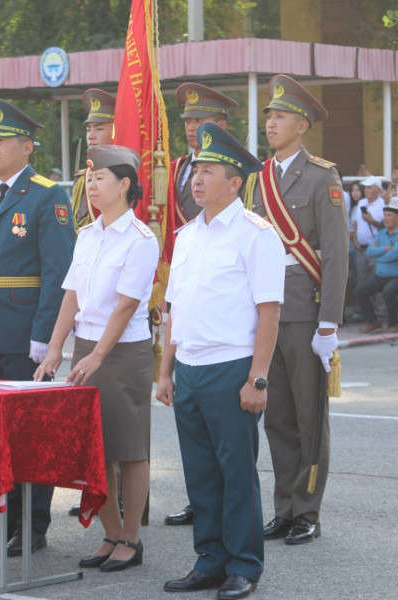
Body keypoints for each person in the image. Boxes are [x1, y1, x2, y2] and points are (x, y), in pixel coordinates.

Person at [158, 122, 284, 600]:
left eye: (209, 170)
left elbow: (268, 311)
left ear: (235, 183)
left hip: (232, 368)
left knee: (236, 473)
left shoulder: (257, 234)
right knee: (200, 474)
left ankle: (244, 565)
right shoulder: (187, 235)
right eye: (196, 169)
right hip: (188, 369)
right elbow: (176, 309)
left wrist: (259, 379)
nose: (198, 178)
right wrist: (166, 371)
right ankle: (209, 558)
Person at [0, 98, 75, 556]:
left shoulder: (47, 195)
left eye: (0, 140)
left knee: (29, 434)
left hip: (25, 332)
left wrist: (46, 336)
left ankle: (31, 525)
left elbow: (59, 272)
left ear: (27, 147)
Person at [34, 145, 157, 572]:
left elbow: (126, 305)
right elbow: (71, 295)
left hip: (122, 353)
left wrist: (100, 355)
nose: (92, 186)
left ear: (124, 185)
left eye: (100, 179)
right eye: (89, 180)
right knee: (94, 447)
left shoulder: (141, 239)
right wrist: (55, 348)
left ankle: (132, 538)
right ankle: (110, 532)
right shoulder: (87, 235)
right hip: (88, 349)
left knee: (129, 448)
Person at [246, 75, 348, 547]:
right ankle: (284, 507)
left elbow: (334, 253)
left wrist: (328, 321)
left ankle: (308, 509)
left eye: (280, 116)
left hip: (305, 312)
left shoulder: (321, 177)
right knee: (277, 417)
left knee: (310, 417)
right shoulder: (257, 179)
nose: (271, 122)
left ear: (302, 125)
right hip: (267, 311)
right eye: (268, 115)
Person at [164, 82, 239, 528]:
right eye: (189, 121)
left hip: (224, 312)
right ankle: (203, 504)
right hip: (185, 285)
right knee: (194, 434)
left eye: (201, 120)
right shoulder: (174, 168)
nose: (193, 128)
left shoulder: (237, 170)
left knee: (231, 440)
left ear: (222, 126)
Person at [71, 89, 116, 230]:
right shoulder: (82, 179)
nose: (90, 136)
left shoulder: (129, 175)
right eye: (89, 129)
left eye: (99, 129)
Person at [354, 200, 398, 332]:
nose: (386, 218)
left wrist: (380, 253)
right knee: (360, 290)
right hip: (379, 277)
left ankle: (393, 323)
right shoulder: (381, 233)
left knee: (388, 292)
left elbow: (395, 254)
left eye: (389, 215)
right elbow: (369, 252)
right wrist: (385, 250)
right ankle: (373, 322)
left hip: (395, 277)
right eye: (384, 215)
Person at [350, 176, 386, 297]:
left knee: (377, 283)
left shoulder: (383, 205)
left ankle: (379, 314)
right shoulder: (361, 202)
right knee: (361, 282)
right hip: (361, 250)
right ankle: (363, 314)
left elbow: (386, 227)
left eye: (369, 187)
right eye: (365, 187)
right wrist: (355, 240)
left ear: (378, 189)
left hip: (376, 250)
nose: (365, 190)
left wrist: (371, 220)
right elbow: (355, 223)